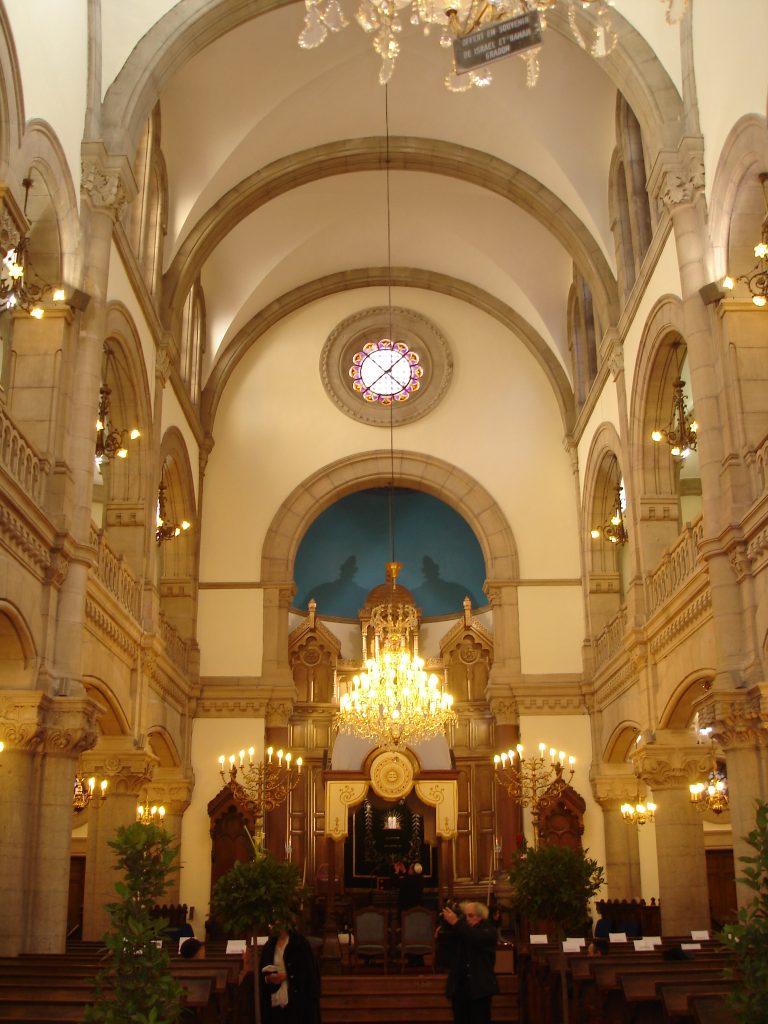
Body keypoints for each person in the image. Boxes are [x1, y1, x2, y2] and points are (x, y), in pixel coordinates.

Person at [436, 900, 499, 1024]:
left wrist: (456, 923)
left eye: (471, 915)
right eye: (465, 916)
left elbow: (476, 937)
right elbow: (443, 960)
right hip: (460, 987)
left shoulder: (489, 930)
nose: (466, 919)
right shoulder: (460, 931)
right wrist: (443, 935)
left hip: (480, 988)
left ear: (481, 917)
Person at [258, 925, 321, 1024]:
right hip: (275, 1002)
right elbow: (262, 972)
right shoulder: (269, 945)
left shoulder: (300, 943)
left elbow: (308, 972)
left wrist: (286, 976)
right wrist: (268, 979)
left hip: (296, 1003)